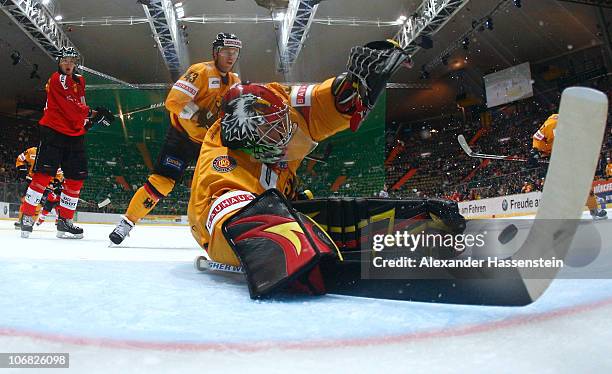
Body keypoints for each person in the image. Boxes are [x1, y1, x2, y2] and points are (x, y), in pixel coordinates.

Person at [188, 40, 424, 298]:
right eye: (274, 129)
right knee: (279, 227)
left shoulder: (270, 103)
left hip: (278, 198)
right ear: (250, 134)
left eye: (283, 122)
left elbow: (313, 107)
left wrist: (349, 90)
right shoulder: (223, 166)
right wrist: (279, 246)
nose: (287, 132)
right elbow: (231, 223)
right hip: (238, 216)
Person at [109, 33, 242, 245]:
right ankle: (127, 222)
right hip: (182, 138)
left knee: (222, 185)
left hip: (210, 144)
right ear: (216, 53)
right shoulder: (200, 72)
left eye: (235, 52)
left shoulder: (235, 81)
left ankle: (223, 233)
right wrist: (198, 114)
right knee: (161, 183)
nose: (231, 56)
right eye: (227, 51)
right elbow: (173, 101)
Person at [18, 47, 114, 238]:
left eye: (71, 60)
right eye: (65, 60)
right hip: (53, 132)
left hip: (74, 135)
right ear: (59, 62)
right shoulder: (57, 79)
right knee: (43, 176)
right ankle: (27, 216)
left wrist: (89, 122)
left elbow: (78, 108)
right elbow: (71, 107)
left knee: (76, 179)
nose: (68, 63)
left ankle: (65, 221)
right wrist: (94, 114)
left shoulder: (80, 81)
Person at [530, 113, 607, 220]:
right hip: (547, 151)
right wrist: (535, 151)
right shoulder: (551, 124)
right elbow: (537, 138)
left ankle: (593, 210)